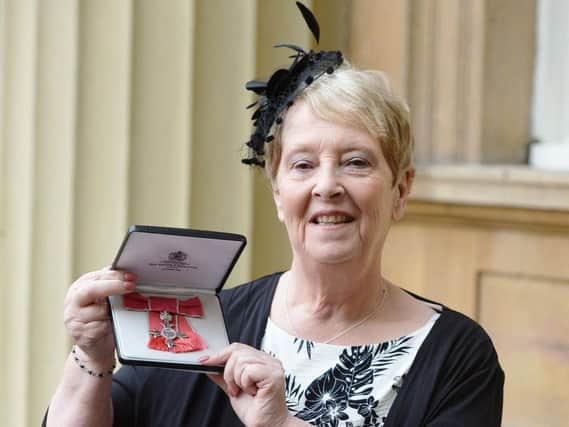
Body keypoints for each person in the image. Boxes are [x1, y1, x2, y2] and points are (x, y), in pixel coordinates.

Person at [45, 3, 503, 426]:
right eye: (303, 165)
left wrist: (281, 423)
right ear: (279, 193)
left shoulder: (458, 356)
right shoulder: (201, 328)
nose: (327, 185)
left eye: (357, 162)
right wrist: (91, 356)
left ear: (400, 190)